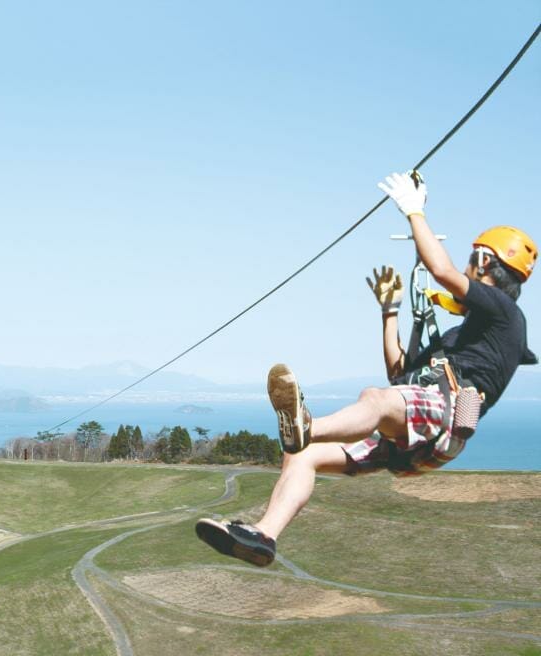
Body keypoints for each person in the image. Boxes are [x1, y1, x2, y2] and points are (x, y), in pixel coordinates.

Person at [196, 171, 537, 567]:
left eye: (472, 259)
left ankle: (307, 426)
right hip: (423, 440)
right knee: (303, 455)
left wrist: (414, 211)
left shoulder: (507, 315)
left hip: (442, 416)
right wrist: (389, 312)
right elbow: (399, 375)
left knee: (370, 401)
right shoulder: (468, 337)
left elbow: (443, 272)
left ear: (484, 261)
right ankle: (264, 536)